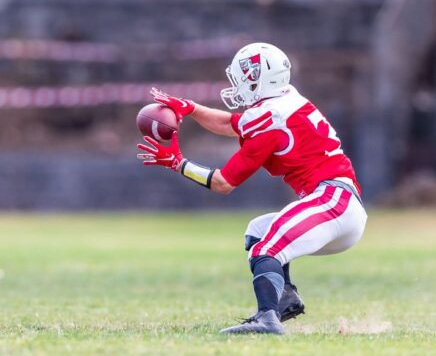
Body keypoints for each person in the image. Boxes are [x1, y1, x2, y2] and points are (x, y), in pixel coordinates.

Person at [137, 43, 367, 334]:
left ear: (260, 78)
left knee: (266, 247)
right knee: (258, 230)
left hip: (332, 200)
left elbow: (223, 183)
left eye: (243, 77)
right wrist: (191, 108)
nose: (238, 84)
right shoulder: (284, 102)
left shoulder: (271, 118)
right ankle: (284, 299)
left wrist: (178, 163)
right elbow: (234, 124)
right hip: (337, 203)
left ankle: (267, 319)